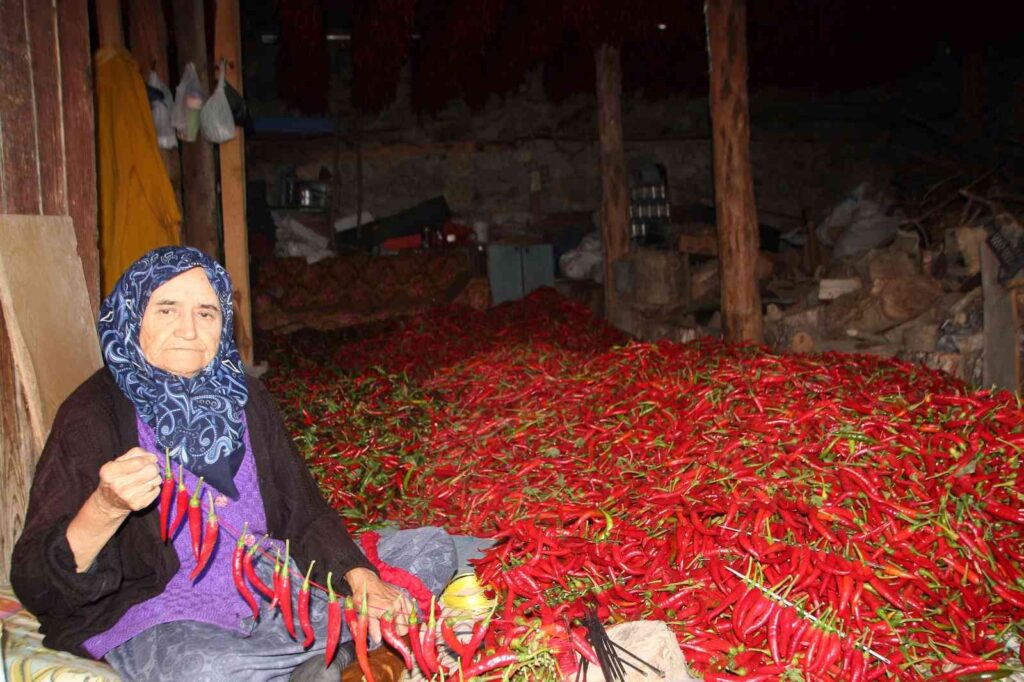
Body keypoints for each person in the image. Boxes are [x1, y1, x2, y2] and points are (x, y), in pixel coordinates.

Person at [11, 246, 457, 681]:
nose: (189, 330)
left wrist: (359, 578)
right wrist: (104, 508)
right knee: (207, 670)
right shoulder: (93, 413)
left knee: (433, 546)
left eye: (206, 313)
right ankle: (338, 650)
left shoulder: (244, 396)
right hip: (170, 611)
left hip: (275, 586)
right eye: (167, 310)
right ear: (132, 317)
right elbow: (34, 581)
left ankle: (327, 653)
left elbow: (303, 511)